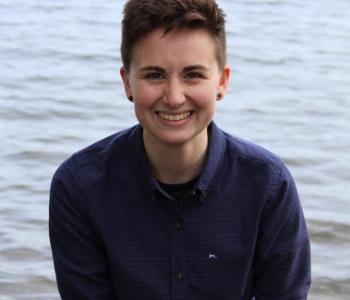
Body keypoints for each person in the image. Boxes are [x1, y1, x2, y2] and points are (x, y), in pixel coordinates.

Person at [49, 0, 311, 299]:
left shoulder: (268, 185)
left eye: (193, 75)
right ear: (127, 82)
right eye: (155, 75)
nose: (174, 97)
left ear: (222, 82)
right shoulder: (79, 187)